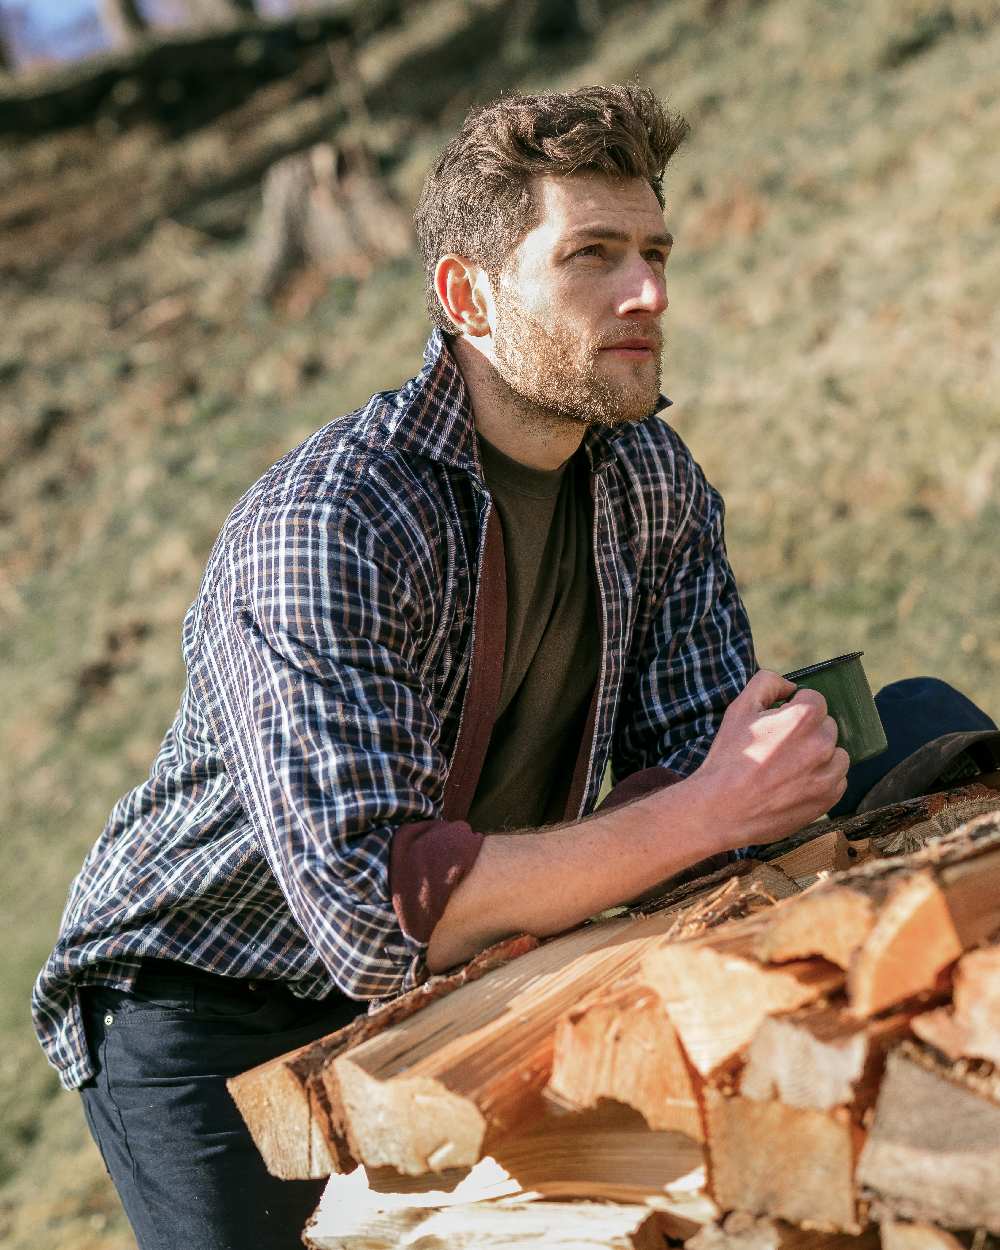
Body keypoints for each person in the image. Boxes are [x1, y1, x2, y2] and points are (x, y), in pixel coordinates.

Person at [33, 84, 849, 1250]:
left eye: (656, 251)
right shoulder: (331, 521)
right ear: (467, 296)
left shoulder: (650, 479)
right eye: (593, 255)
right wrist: (703, 809)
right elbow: (374, 908)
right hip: (214, 1000)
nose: (649, 292)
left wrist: (759, 782)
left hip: (474, 955)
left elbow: (702, 762)